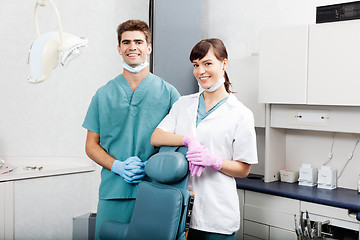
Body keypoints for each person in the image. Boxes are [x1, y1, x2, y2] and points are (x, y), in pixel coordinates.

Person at [82, 19, 180, 240]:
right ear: (119, 49)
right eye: (126, 42)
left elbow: (179, 144)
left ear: (149, 47)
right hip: (113, 193)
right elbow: (90, 146)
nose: (132, 47)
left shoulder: (169, 93)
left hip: (156, 192)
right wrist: (117, 166)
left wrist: (152, 166)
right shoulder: (103, 94)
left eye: (138, 41)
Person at [151, 38, 258, 240]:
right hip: (179, 211)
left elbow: (244, 169)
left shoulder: (241, 114)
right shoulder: (183, 104)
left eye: (208, 63)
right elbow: (156, 137)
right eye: (196, 65)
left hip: (217, 213)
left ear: (224, 63)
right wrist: (187, 140)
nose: (201, 71)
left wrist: (215, 161)